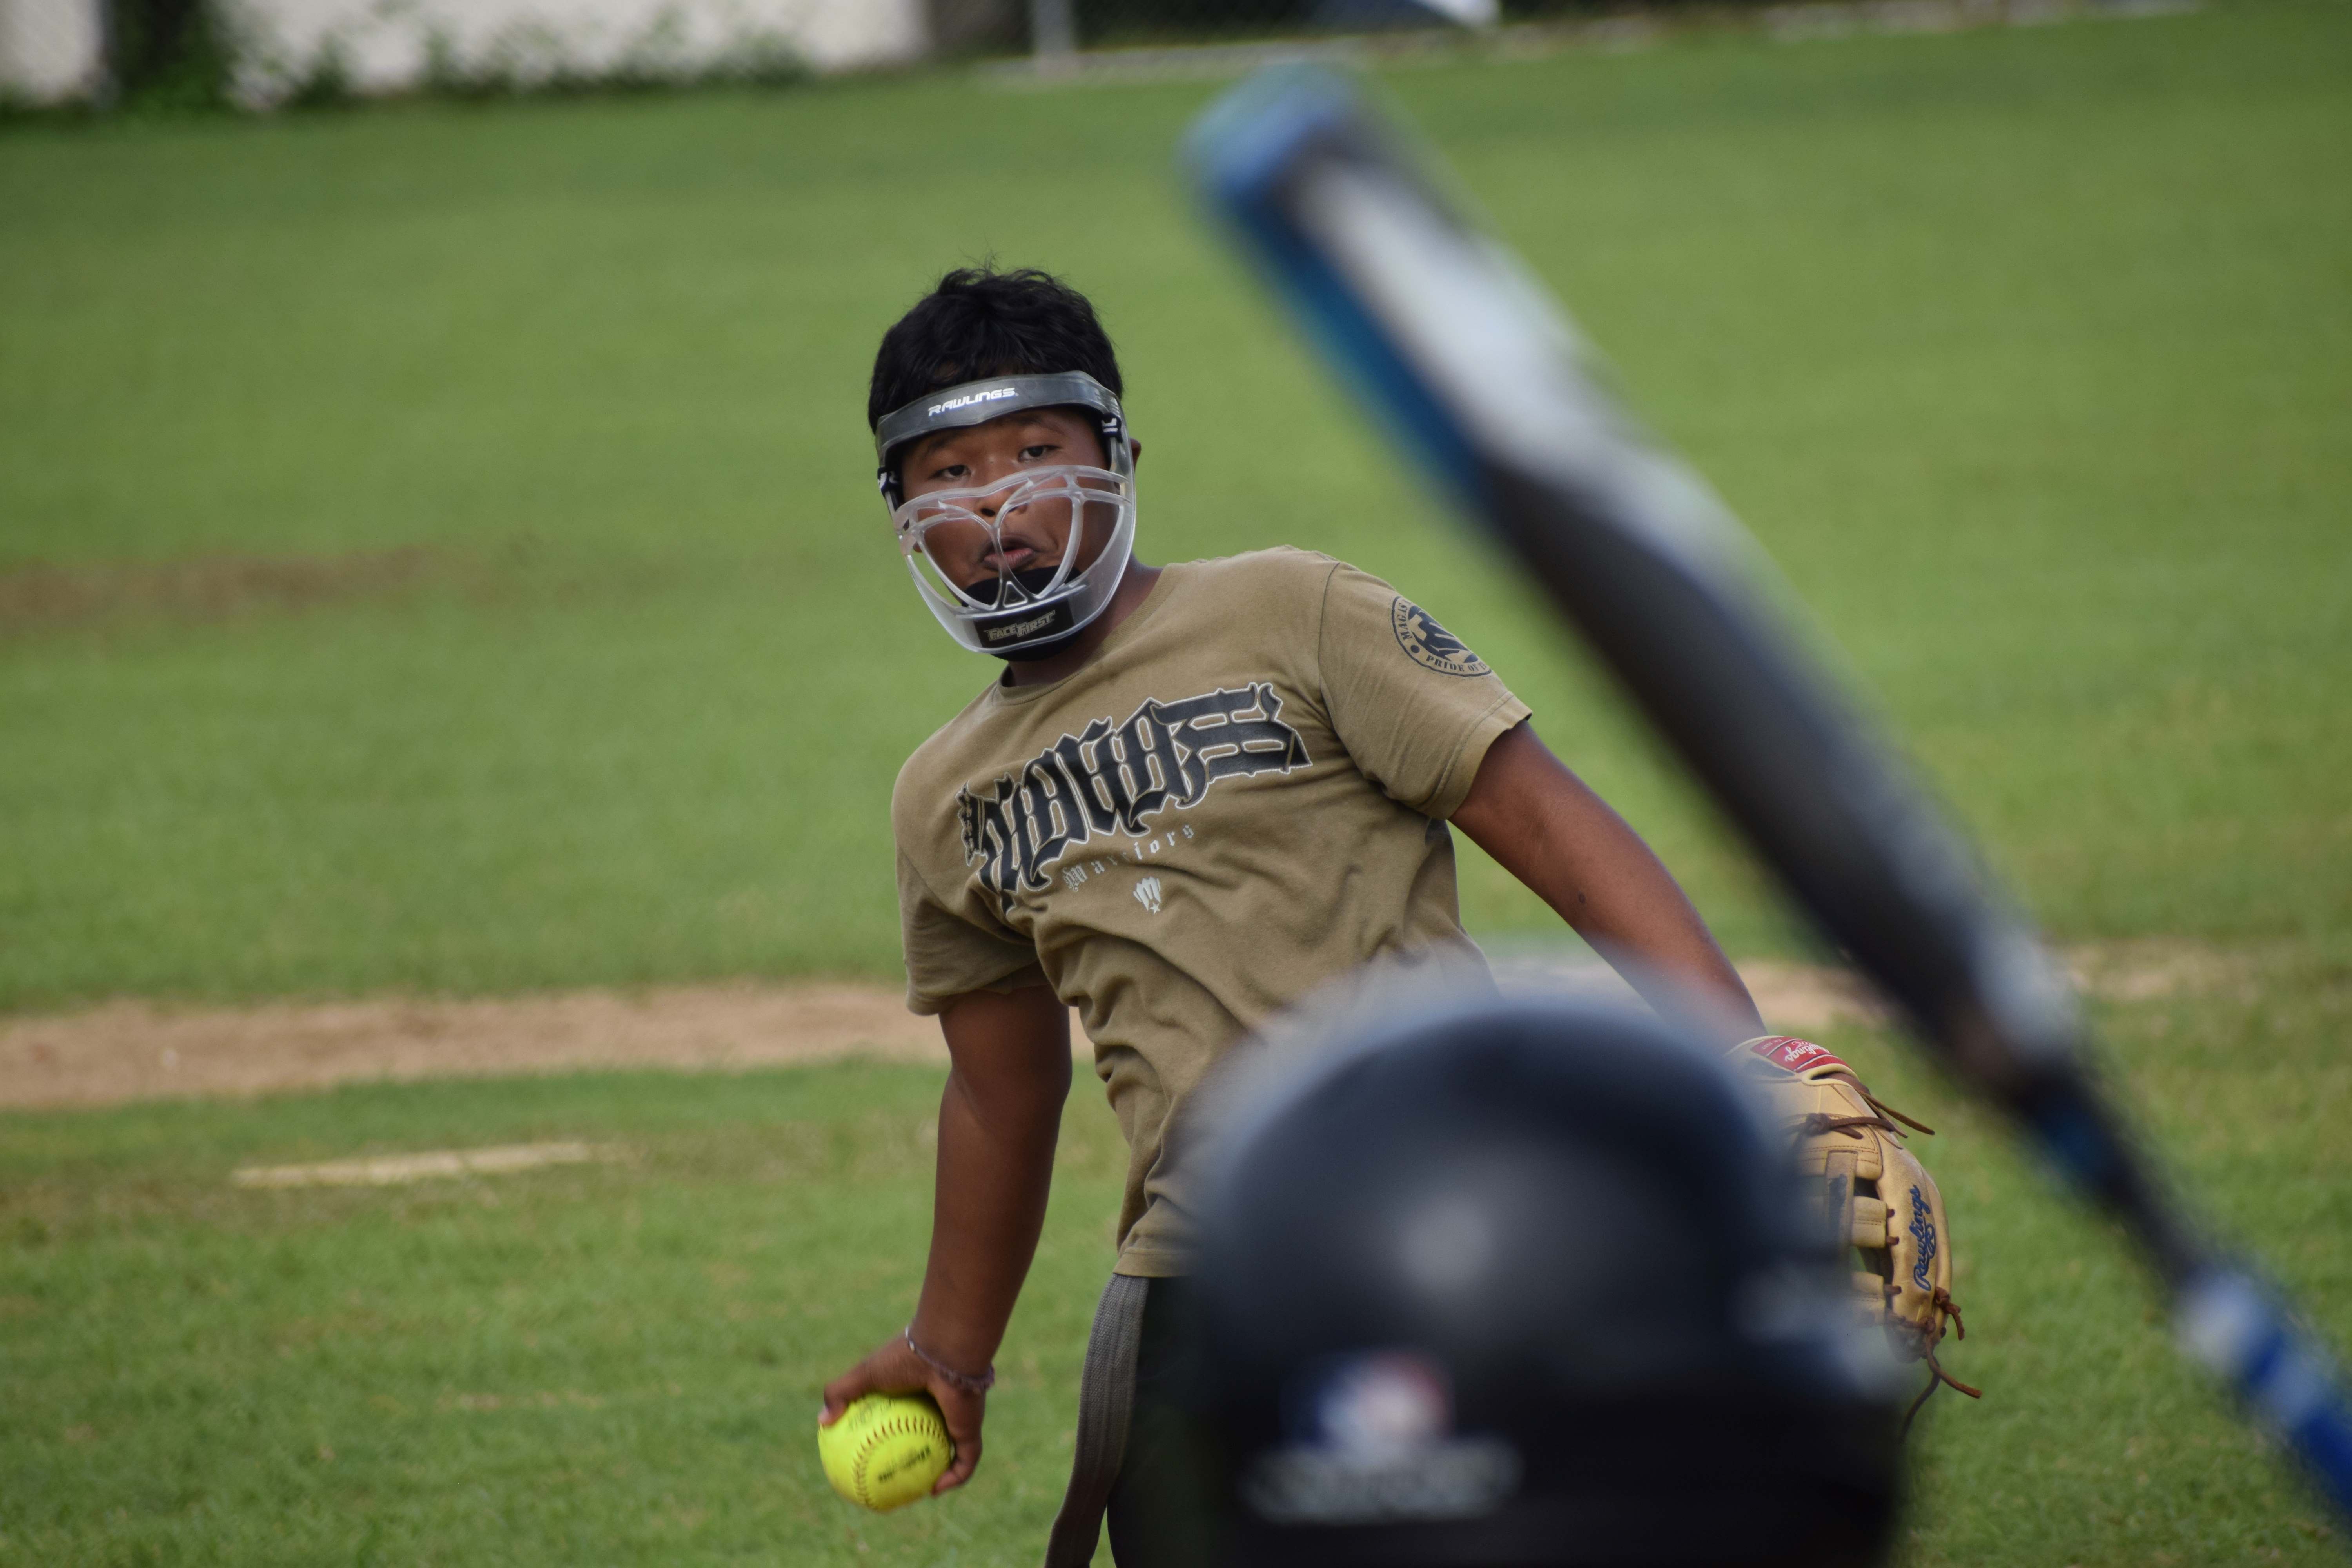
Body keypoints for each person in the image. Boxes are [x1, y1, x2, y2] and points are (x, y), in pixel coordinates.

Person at [817, 265, 1769, 1565]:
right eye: (948, 472)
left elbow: (1545, 823)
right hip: (1200, 1273)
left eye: (1035, 453)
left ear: (1118, 455)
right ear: (903, 511)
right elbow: (999, 1096)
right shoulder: (943, 794)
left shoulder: (1290, 609)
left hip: (1449, 1213)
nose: (998, 506)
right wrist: (949, 1348)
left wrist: (1748, 1071)